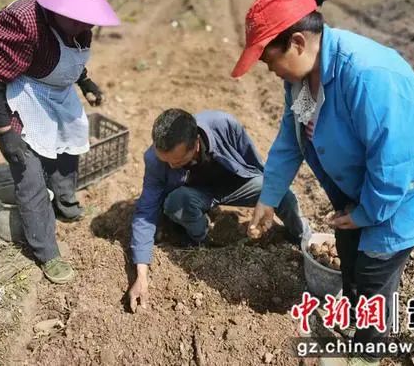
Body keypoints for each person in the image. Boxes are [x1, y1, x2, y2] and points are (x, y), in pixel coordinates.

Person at [232, 0, 414, 366]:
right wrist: (268, 196)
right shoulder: (302, 80)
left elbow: (394, 163)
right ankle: (361, 316)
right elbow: (291, 138)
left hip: (409, 187)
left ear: (296, 42)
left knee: (374, 264)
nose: (270, 70)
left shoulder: (368, 75)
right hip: (364, 182)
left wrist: (365, 214)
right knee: (349, 251)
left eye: (268, 59)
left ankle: (368, 353)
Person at [0, 0, 120, 284]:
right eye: (79, 17)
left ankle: (66, 205)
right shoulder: (25, 21)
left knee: (68, 149)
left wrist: (86, 83)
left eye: (90, 17)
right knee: (30, 171)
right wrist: (4, 133)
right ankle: (45, 250)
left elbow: (71, 60)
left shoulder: (80, 25)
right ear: (57, 6)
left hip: (55, 93)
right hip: (18, 97)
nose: (87, 24)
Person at [128, 108, 309, 312]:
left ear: (196, 143)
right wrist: (141, 275)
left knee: (282, 193)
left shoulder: (223, 125)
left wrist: (266, 201)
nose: (170, 165)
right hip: (197, 193)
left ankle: (302, 238)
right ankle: (203, 238)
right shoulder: (155, 159)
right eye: (165, 160)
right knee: (175, 202)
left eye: (177, 162)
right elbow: (146, 212)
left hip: (237, 184)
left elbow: (253, 162)